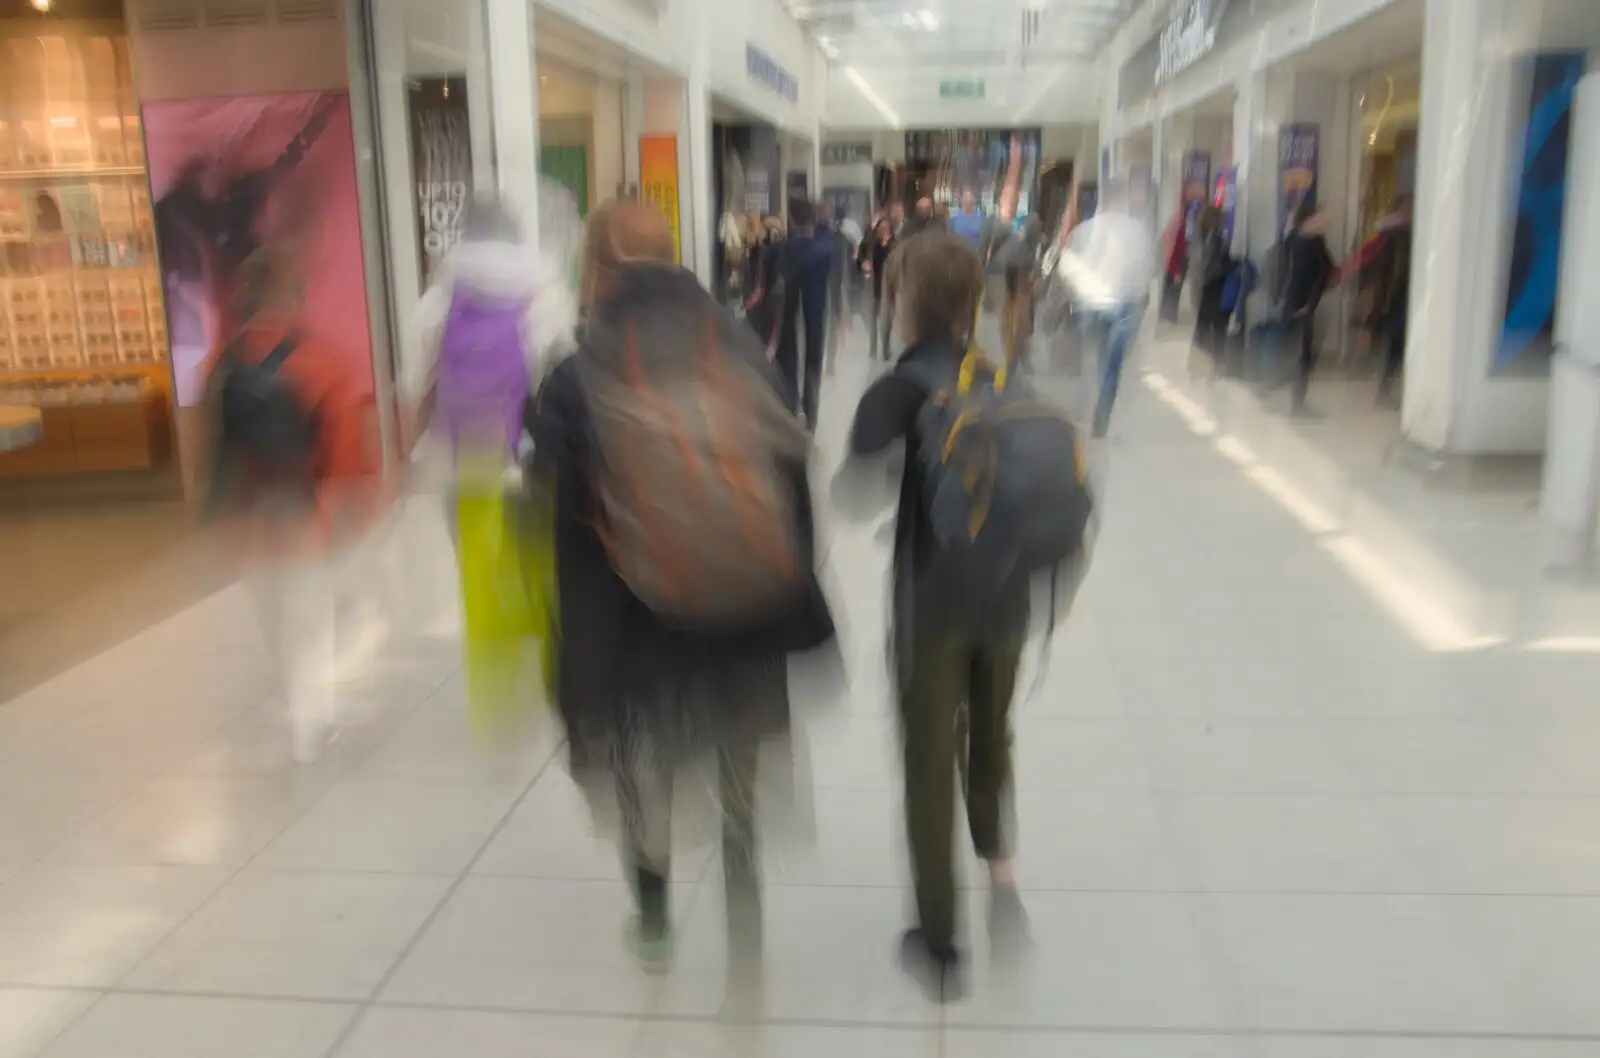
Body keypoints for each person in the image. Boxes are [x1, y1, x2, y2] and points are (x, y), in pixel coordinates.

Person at [527, 199, 837, 984]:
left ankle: (657, 919)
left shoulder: (579, 372)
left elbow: (551, 509)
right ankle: (744, 909)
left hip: (637, 626)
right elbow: (791, 471)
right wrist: (783, 580)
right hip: (743, 611)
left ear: (598, 270)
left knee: (644, 768)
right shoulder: (735, 346)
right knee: (737, 759)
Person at [834, 231, 1033, 1003]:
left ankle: (940, 944)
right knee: (991, 732)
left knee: (927, 763)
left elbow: (854, 489)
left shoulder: (898, 385)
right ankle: (1003, 876)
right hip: (1008, 594)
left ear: (905, 302)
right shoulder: (1000, 375)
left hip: (932, 604)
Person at [206, 244, 382, 764]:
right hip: (307, 517)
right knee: (313, 623)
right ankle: (312, 725)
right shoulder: (319, 359)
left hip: (253, 521)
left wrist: (225, 517)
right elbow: (348, 446)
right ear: (292, 297)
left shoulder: (226, 364)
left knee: (279, 620)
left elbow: (216, 449)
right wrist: (356, 506)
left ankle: (294, 699)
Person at [405, 193, 575, 538]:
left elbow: (415, 386)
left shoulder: (437, 302)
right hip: (527, 456)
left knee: (475, 561)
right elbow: (565, 375)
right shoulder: (547, 295)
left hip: (463, 461)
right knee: (530, 559)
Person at [1058, 179, 1155, 438]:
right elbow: (1145, 268)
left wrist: (1075, 295)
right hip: (1123, 306)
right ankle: (1101, 420)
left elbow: (1067, 268)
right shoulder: (1137, 230)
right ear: (1122, 199)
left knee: (1089, 359)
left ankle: (1079, 411)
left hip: (1089, 305)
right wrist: (1142, 299)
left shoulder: (1084, 230)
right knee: (1111, 365)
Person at [772, 197, 834, 430]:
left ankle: (791, 408)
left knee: (788, 361)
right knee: (813, 366)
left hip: (788, 315)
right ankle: (812, 418)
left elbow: (777, 281)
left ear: (790, 219)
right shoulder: (824, 250)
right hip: (816, 312)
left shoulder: (784, 249)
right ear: (814, 219)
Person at [1271, 202, 1339, 414]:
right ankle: (1292, 402)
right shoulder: (1295, 243)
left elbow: (1326, 270)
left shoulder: (1317, 242)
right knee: (1299, 356)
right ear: (1307, 220)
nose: (1325, 222)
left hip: (1308, 306)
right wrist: (1297, 306)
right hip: (1296, 307)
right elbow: (1291, 278)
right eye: (1320, 218)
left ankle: (1282, 394)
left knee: (1303, 355)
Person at [1188, 204, 1231, 369]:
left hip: (1200, 285)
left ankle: (1196, 365)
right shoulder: (1215, 237)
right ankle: (1217, 364)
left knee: (1202, 326)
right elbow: (1211, 263)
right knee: (1219, 326)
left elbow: (1197, 261)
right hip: (1213, 285)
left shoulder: (1198, 235)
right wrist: (1227, 262)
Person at [863, 217, 896, 361]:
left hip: (889, 284)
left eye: (886, 228)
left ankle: (885, 347)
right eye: (881, 228)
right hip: (875, 284)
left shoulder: (894, 244)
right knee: (873, 317)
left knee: (887, 318)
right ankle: (872, 347)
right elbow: (865, 258)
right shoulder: (872, 244)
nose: (883, 230)